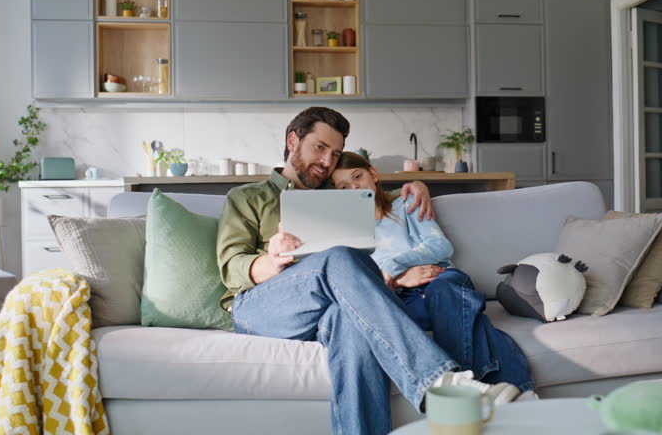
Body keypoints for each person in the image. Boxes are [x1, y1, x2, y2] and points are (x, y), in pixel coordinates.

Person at [216, 107, 518, 435]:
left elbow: (384, 203)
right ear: (293, 141)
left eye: (334, 154)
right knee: (339, 257)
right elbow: (231, 268)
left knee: (352, 323)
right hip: (263, 307)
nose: (327, 161)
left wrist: (415, 185)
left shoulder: (339, 196)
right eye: (319, 148)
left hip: (328, 307)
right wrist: (273, 259)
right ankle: (437, 380)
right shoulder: (249, 197)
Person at [331, 151, 536, 396]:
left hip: (442, 277)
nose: (354, 188)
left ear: (373, 174)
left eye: (357, 177)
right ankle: (521, 391)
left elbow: (440, 246)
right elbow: (364, 279)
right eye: (344, 187)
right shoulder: (348, 232)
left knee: (444, 293)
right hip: (405, 295)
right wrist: (398, 279)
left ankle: (462, 394)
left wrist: (393, 266)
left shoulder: (405, 204)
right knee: (472, 322)